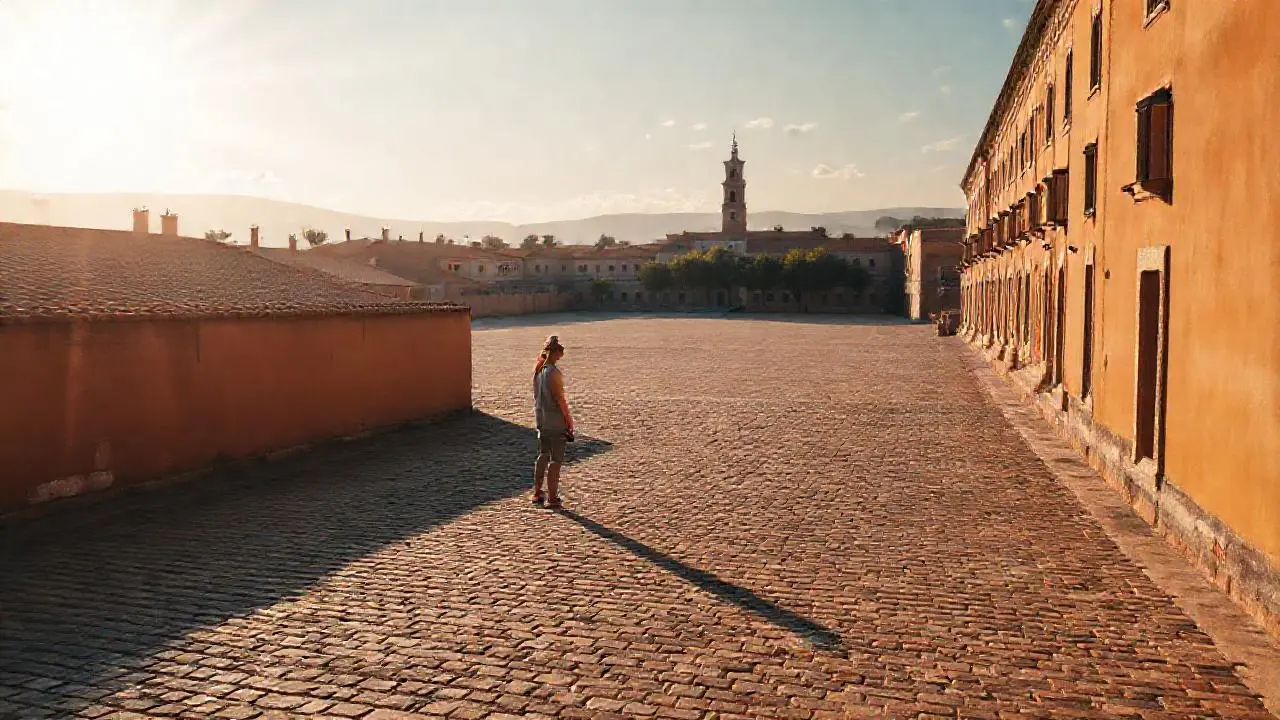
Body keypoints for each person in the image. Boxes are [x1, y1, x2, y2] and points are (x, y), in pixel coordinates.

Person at [532, 334, 574, 508]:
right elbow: (560, 400)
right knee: (556, 460)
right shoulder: (554, 373)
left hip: (542, 420)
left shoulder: (538, 371)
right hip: (555, 421)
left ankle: (537, 492)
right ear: (556, 352)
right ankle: (552, 497)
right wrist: (568, 420)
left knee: (543, 455)